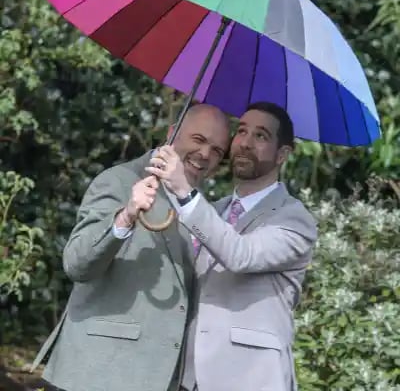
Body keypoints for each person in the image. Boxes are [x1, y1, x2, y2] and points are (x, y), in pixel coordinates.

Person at [30, 104, 231, 391]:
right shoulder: (119, 180)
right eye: (198, 140)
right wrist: (125, 216)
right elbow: (76, 264)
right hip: (97, 375)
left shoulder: (199, 208)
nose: (206, 155)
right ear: (172, 133)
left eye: (217, 150)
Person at [147, 102, 318, 391]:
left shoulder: (295, 219)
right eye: (241, 131)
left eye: (261, 136)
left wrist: (184, 192)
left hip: (252, 378)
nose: (245, 143)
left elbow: (240, 255)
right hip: (191, 379)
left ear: (282, 154)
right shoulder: (212, 211)